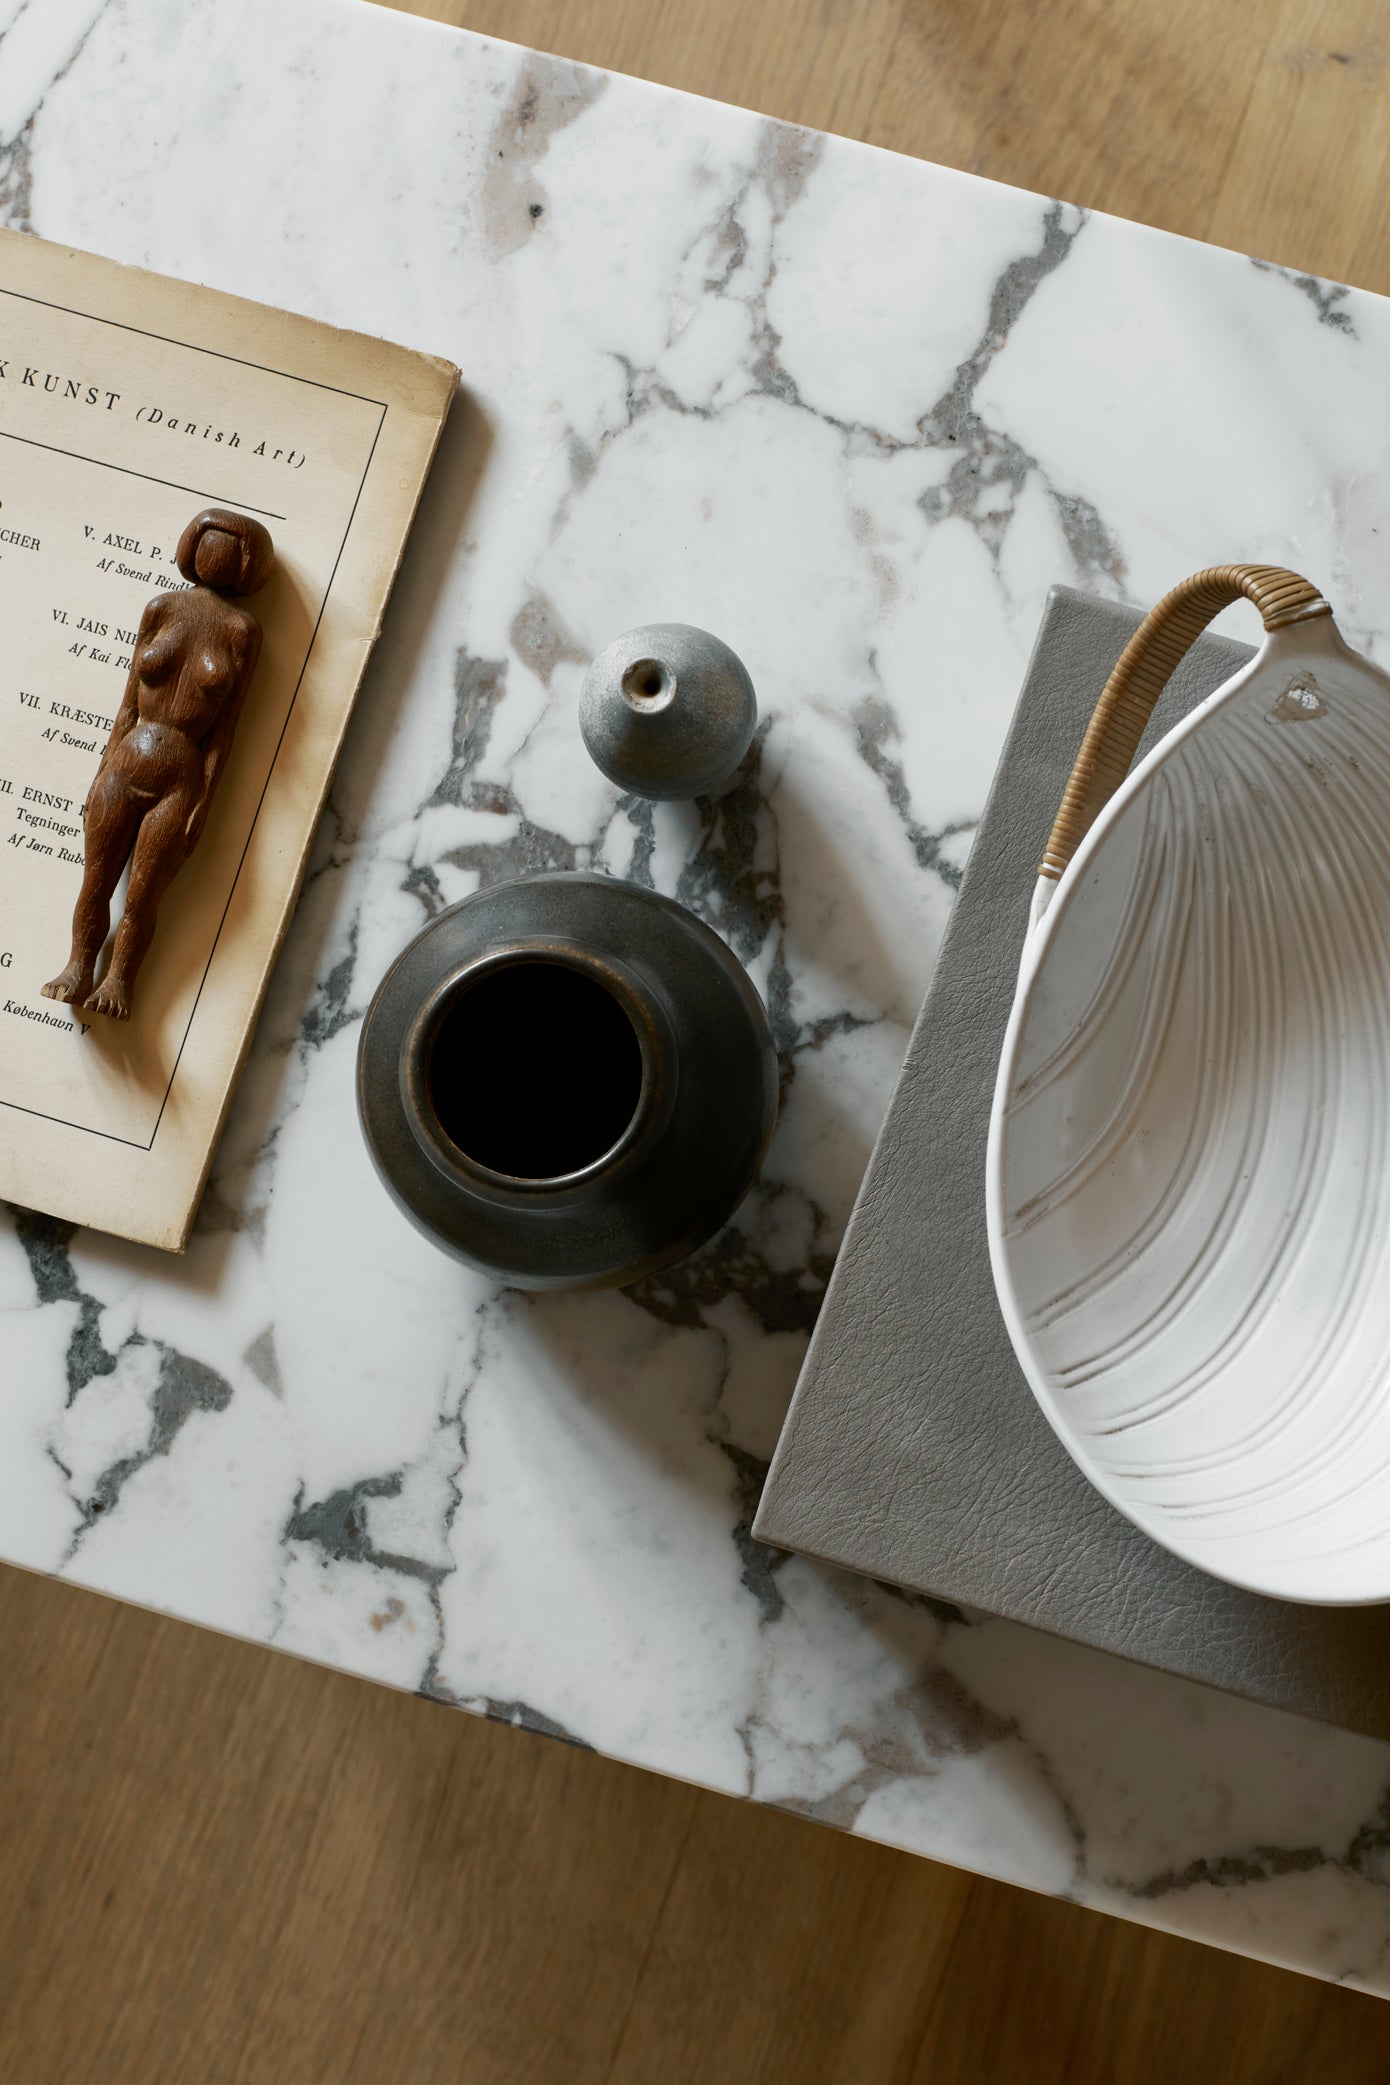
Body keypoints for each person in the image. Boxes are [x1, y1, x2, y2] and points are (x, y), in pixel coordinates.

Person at [43, 505, 274, 1020]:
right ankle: (78, 967)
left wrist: (203, 802)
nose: (215, 554)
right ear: (192, 546)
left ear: (247, 563)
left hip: (180, 777)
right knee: (96, 879)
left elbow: (225, 732)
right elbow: (127, 704)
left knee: (144, 892)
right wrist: (100, 772)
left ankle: (119, 980)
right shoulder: (162, 608)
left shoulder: (241, 630)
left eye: (229, 548)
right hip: (126, 761)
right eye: (208, 541)